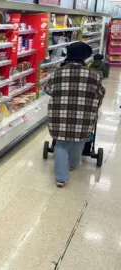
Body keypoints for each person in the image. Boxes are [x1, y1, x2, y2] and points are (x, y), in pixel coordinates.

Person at [45, 42, 105, 187]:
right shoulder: (93, 75)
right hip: (83, 117)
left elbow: (48, 90)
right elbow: (100, 93)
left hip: (59, 116)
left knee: (61, 143)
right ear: (84, 57)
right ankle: (73, 164)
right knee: (79, 141)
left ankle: (61, 178)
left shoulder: (57, 73)